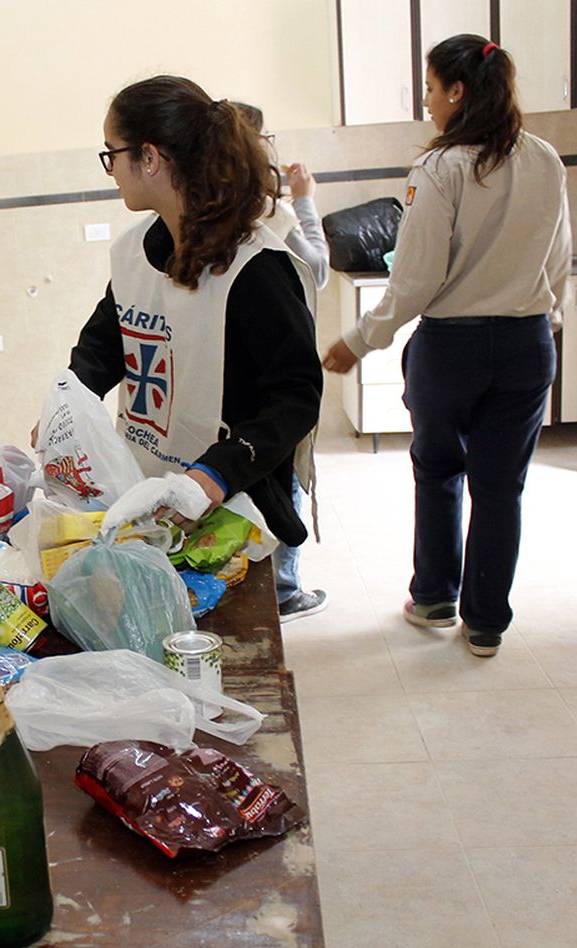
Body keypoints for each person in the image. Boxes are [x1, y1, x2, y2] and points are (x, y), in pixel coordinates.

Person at [322, 35, 570, 658]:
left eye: (431, 89)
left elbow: (417, 274)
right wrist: (547, 321)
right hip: (526, 343)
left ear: (456, 91)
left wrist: (360, 339)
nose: (427, 102)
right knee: (500, 488)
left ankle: (434, 597)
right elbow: (558, 257)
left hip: (451, 348)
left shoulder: (440, 168)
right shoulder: (544, 158)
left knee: (437, 472)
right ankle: (485, 625)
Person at [69, 76, 322, 563]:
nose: (111, 170)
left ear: (149, 158)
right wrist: (69, 399)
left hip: (233, 503)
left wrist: (214, 475)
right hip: (148, 491)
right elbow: (106, 341)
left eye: (112, 154)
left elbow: (295, 395)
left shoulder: (255, 266)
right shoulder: (135, 251)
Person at [235, 102, 329, 622]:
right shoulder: (270, 214)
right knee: (282, 480)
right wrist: (305, 202)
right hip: (274, 381)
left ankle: (267, 587)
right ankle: (285, 589)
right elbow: (315, 269)